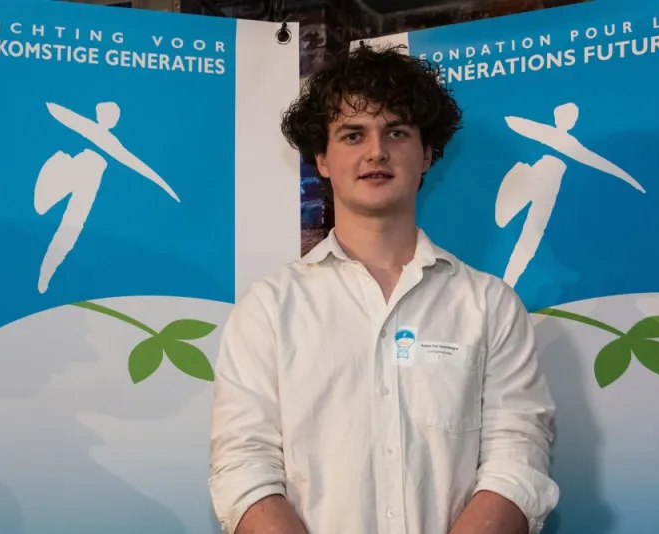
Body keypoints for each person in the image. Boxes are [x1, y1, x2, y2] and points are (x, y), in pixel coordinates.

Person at [208, 44, 559, 534]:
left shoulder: (489, 305)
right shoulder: (269, 307)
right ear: (322, 159)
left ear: (427, 154)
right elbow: (243, 467)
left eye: (396, 132)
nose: (376, 151)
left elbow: (518, 458)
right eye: (353, 135)